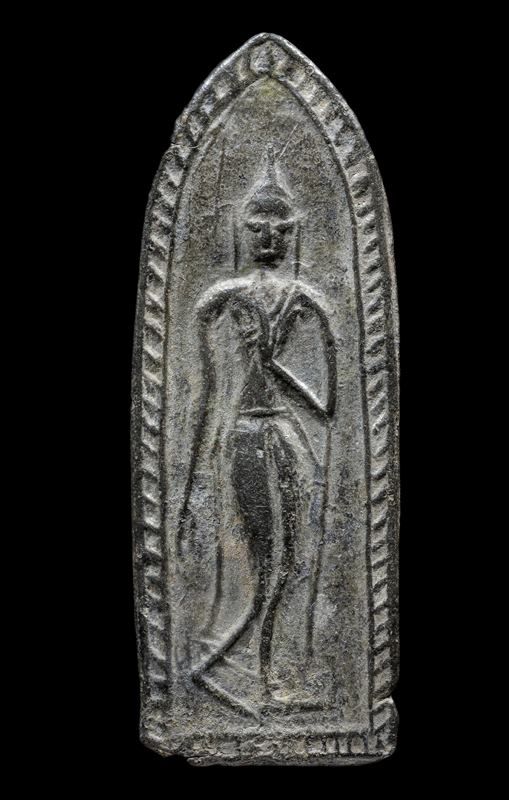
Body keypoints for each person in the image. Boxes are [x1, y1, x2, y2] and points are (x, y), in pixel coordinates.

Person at [178, 147, 337, 718]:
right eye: (257, 226)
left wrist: (273, 366)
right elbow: (202, 401)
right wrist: (191, 485)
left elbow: (326, 405)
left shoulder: (309, 305)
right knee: (262, 566)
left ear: (294, 233)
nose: (269, 237)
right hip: (244, 437)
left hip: (289, 439)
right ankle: (221, 670)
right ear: (241, 230)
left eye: (280, 227)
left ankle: (266, 678)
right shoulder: (220, 303)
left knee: (295, 563)